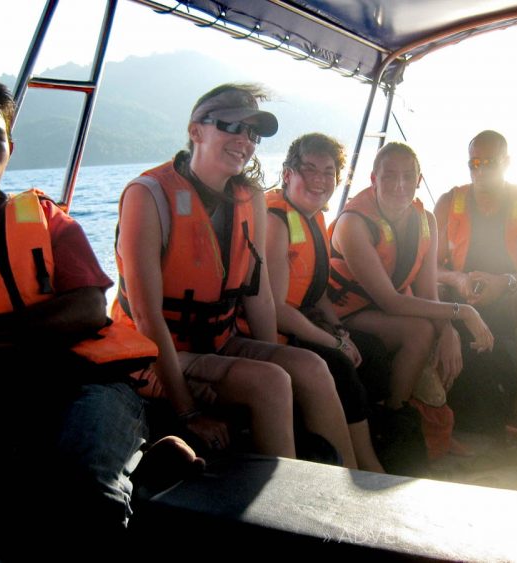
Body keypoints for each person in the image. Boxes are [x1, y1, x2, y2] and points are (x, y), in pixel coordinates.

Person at [0, 77, 158, 558]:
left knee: (85, 491)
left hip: (84, 386)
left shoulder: (48, 221)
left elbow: (87, 308)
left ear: (10, 148)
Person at [112, 84, 356, 466]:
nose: (245, 140)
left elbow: (257, 297)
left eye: (253, 133)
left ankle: (344, 491)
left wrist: (271, 355)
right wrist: (188, 413)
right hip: (156, 356)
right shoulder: (149, 195)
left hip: (219, 342)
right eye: (231, 126)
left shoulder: (249, 197)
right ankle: (286, 519)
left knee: (311, 366)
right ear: (196, 131)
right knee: (271, 383)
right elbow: (145, 317)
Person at [327, 141, 493, 416]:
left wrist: (448, 330)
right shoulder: (353, 224)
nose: (399, 184)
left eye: (407, 176)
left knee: (443, 334)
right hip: (346, 313)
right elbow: (390, 302)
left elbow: (428, 292)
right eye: (389, 175)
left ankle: (434, 425)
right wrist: (463, 312)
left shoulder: (426, 220)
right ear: (373, 180)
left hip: (385, 309)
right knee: (421, 331)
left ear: (419, 181)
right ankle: (393, 417)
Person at [265, 133, 388, 472]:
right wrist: (334, 343)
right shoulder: (276, 222)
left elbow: (316, 290)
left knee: (371, 351)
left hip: (307, 324)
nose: (320, 180)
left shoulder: (313, 216)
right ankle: (361, 465)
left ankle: (378, 440)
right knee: (339, 364)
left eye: (328, 172)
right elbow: (276, 309)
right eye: (309, 170)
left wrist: (339, 330)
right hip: (278, 334)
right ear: (288, 174)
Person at [434, 130, 517, 427]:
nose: (480, 170)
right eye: (474, 163)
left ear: (507, 162)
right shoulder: (449, 202)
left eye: (489, 162)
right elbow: (428, 268)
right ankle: (440, 415)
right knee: (430, 295)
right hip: (461, 298)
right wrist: (457, 279)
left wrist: (504, 282)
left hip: (510, 299)